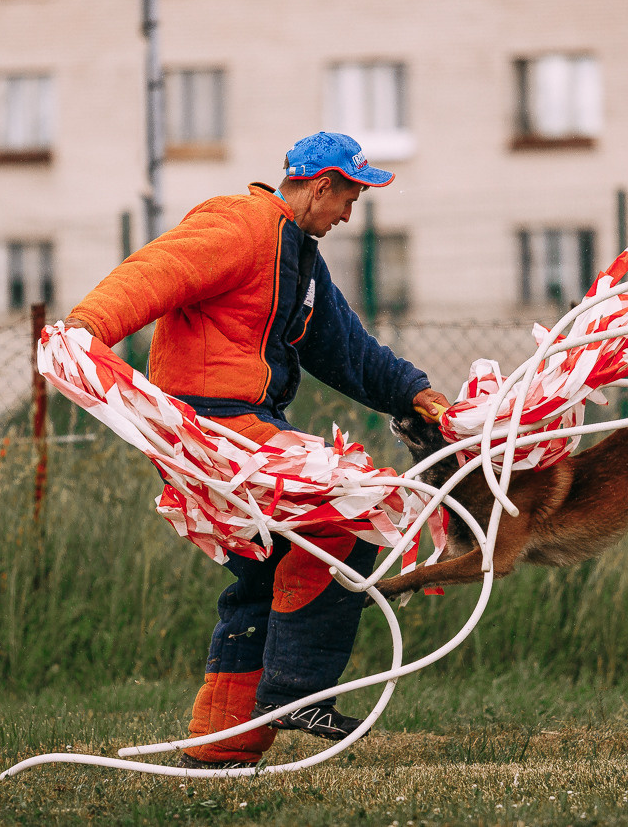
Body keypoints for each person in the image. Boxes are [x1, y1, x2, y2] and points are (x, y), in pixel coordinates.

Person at [63, 131, 449, 769]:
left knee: (264, 570)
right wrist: (88, 328)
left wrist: (419, 395)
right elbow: (157, 271)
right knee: (351, 506)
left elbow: (347, 351)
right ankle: (299, 691)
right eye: (349, 196)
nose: (350, 214)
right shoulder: (238, 224)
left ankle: (223, 748)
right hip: (211, 424)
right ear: (320, 185)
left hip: (245, 421)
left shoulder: (300, 257)